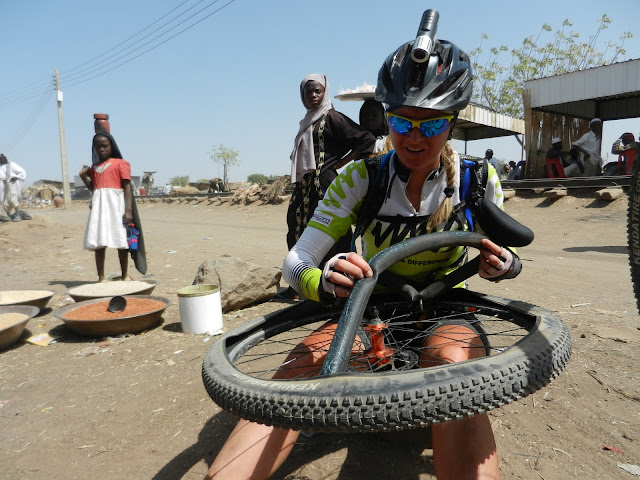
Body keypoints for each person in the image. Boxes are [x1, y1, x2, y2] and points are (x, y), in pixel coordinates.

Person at [208, 12, 521, 480]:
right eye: (401, 121)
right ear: (385, 116)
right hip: (371, 308)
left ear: (452, 123)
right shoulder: (361, 177)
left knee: (452, 366)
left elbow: (510, 255)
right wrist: (323, 279)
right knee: (306, 359)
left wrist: (502, 265)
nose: (413, 138)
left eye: (431, 125)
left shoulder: (477, 180)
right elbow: (295, 262)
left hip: (448, 307)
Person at [282, 74, 376, 299]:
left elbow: (366, 139)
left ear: (325, 93)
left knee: (332, 233)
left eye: (318, 91)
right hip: (305, 187)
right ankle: (300, 283)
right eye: (308, 92)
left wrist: (340, 163)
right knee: (297, 227)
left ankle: (341, 284)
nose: (313, 95)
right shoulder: (307, 121)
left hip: (325, 186)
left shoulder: (332, 117)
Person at [79, 133, 133, 282]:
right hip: (99, 208)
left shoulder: (120, 163)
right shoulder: (94, 168)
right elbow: (94, 189)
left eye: (105, 146)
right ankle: (101, 278)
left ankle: (125, 275)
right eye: (98, 147)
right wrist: (84, 176)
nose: (101, 149)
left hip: (116, 205)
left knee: (120, 241)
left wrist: (128, 211)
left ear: (111, 146)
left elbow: (127, 188)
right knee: (99, 241)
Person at [0, 154, 31, 222]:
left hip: (12, 184)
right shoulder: (1, 167)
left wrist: (16, 177)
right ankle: (8, 216)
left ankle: (18, 215)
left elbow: (22, 172)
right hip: (5, 186)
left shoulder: (12, 165)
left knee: (13, 200)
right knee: (5, 202)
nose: (2, 159)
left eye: (3, 157)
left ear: (6, 158)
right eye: (1, 158)